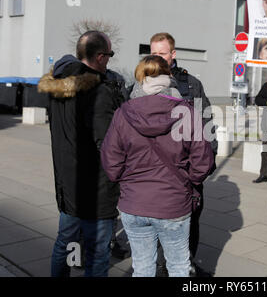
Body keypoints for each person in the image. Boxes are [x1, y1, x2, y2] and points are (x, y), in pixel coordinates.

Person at [101, 55, 214, 277]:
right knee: (179, 267)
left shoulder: (123, 113)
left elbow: (110, 160)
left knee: (142, 267)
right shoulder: (187, 112)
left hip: (134, 202)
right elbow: (203, 162)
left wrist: (128, 181)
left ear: (140, 79)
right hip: (173, 202)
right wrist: (187, 180)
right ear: (169, 76)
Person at [38, 31, 125, 277]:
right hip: (95, 191)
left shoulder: (58, 84)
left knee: (64, 245)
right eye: (109, 54)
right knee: (97, 254)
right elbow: (108, 146)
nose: (110, 60)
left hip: (67, 185)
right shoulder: (100, 90)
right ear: (99, 56)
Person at [147, 32, 216, 276]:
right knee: (154, 226)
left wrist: (205, 166)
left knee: (190, 222)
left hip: (185, 172)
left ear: (173, 54)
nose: (157, 57)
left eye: (162, 53)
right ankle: (159, 266)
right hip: (153, 172)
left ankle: (185, 264)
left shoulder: (191, 85)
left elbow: (207, 125)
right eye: (153, 52)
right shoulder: (139, 83)